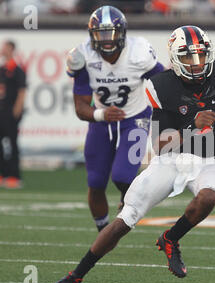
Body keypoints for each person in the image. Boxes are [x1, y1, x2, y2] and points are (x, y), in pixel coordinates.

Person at [51, 25, 215, 283]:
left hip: (208, 158)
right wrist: (192, 124)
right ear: (175, 58)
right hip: (171, 160)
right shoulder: (161, 86)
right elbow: (160, 143)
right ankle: (77, 274)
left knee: (209, 196)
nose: (197, 62)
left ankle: (170, 238)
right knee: (126, 218)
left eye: (201, 55)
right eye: (189, 56)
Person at [66, 5, 164, 232]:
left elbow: (163, 81)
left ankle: (127, 197)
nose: (107, 40)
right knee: (96, 182)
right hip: (102, 122)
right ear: (92, 35)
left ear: (122, 33)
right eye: (101, 34)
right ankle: (103, 231)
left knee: (122, 176)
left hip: (136, 118)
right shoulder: (82, 57)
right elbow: (80, 107)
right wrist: (101, 114)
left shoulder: (138, 52)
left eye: (111, 33)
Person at [0, 40, 27, 190]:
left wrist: (17, 109)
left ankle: (14, 176)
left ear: (11, 49)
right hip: (0, 111)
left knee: (12, 143)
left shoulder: (18, 70)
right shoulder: (1, 69)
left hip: (11, 111)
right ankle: (2, 174)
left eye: (4, 47)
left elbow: (22, 91)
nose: (2, 50)